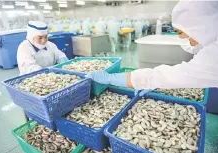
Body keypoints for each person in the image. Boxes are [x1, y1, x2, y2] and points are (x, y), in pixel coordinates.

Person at [86, 1, 218, 89]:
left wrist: (112, 78)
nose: (181, 38)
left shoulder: (214, 57)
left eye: (180, 32)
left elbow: (174, 75)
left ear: (198, 27)